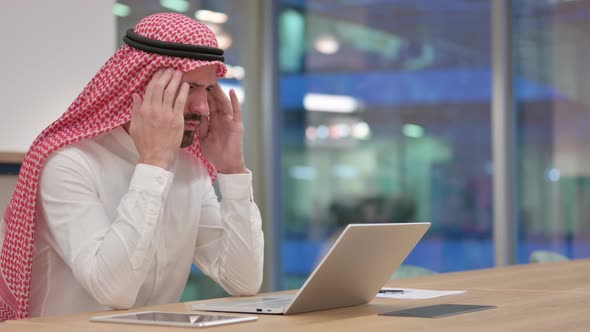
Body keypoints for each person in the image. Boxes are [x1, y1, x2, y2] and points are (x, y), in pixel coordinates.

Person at [0, 12, 264, 320]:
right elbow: (114, 291)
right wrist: (154, 165)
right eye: (188, 88)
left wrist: (232, 170)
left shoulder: (189, 166)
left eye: (207, 90)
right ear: (141, 86)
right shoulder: (70, 164)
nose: (203, 108)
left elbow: (242, 281)